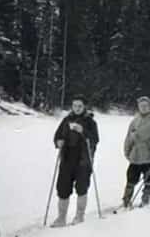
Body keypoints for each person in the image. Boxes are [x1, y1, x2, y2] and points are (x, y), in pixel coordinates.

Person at [50, 95, 99, 227]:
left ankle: (79, 215)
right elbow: (58, 135)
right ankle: (61, 218)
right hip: (67, 158)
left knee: (82, 187)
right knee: (62, 188)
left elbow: (95, 139)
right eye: (75, 105)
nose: (77, 108)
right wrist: (58, 141)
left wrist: (83, 131)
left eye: (80, 106)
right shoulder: (66, 120)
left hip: (83, 159)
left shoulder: (90, 122)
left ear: (84, 107)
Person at [122, 96, 150, 208]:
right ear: (138, 107)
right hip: (135, 156)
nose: (144, 108)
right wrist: (127, 151)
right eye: (141, 106)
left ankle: (145, 200)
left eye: (146, 106)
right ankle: (126, 200)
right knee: (130, 178)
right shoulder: (134, 121)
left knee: (148, 179)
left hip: (149, 156)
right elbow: (128, 137)